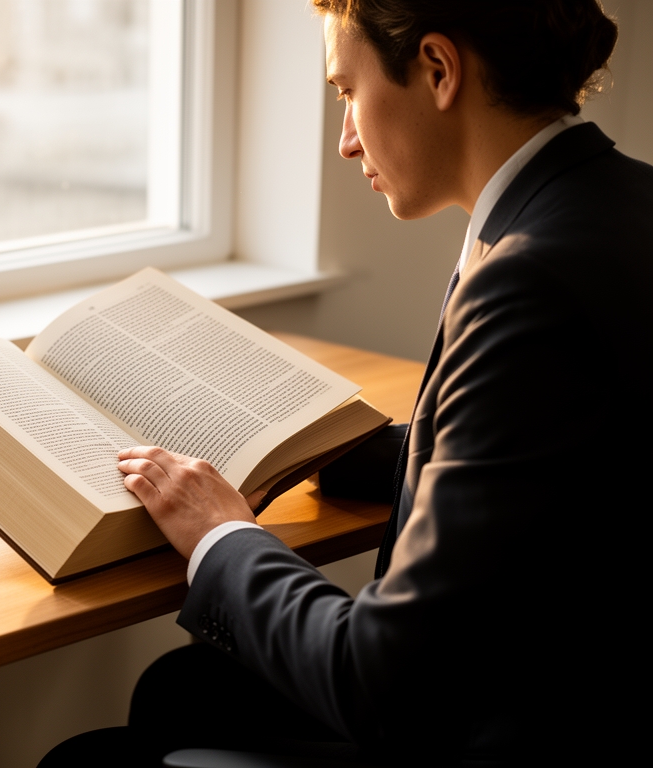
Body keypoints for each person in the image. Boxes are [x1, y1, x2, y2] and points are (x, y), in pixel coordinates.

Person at [40, 1, 651, 764]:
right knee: (183, 690)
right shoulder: (616, 202)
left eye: (345, 92)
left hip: (486, 720)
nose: (345, 140)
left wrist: (219, 535)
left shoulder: (527, 278)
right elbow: (544, 454)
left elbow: (380, 684)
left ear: (438, 69)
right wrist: (320, 443)